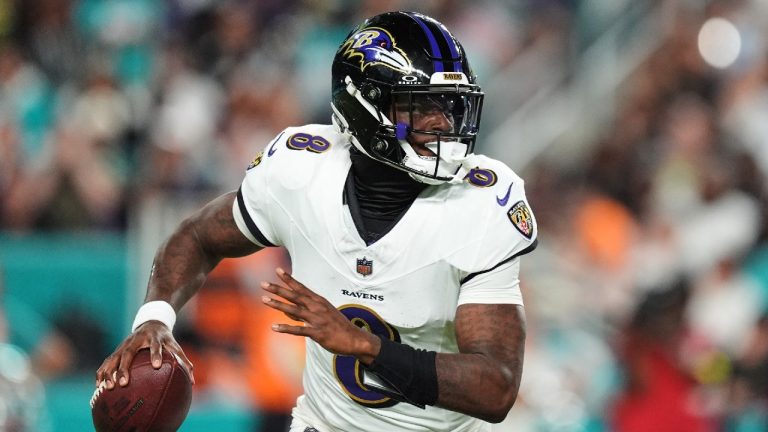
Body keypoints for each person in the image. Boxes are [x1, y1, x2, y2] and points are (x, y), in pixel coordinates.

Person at [96, 11, 538, 432]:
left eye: (449, 105)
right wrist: (154, 318)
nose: (442, 122)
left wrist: (367, 348)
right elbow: (197, 236)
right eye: (419, 106)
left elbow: (495, 386)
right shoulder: (302, 171)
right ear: (364, 107)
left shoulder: (480, 202)